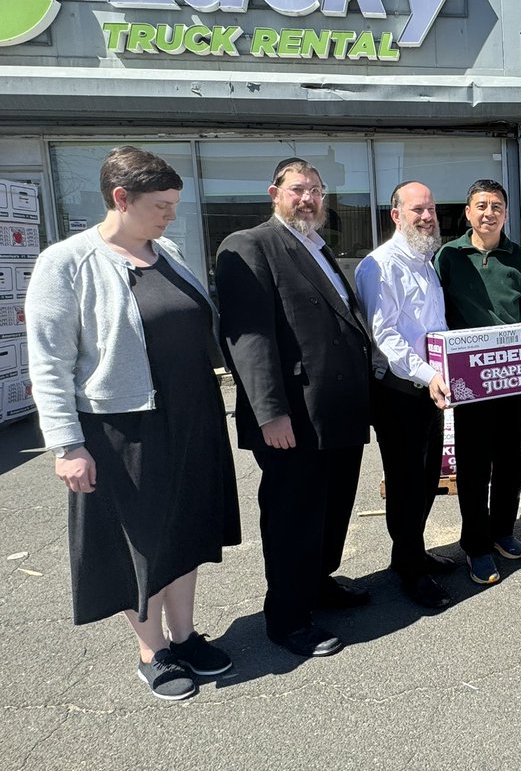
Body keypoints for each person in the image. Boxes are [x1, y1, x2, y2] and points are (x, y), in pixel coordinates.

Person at [26, 146, 240, 702]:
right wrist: (67, 444)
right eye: (160, 205)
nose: (171, 215)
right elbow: (48, 361)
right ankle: (153, 651)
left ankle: (186, 635)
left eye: (174, 204)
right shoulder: (67, 262)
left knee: (187, 529)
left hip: (192, 417)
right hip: (122, 427)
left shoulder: (165, 250)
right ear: (120, 199)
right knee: (139, 542)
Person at [215, 158, 372, 659]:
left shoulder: (319, 246)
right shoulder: (250, 246)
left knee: (332, 509)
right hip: (293, 417)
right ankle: (286, 617)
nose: (309, 199)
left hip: (338, 412)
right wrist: (268, 412)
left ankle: (318, 584)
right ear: (274, 193)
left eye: (317, 191)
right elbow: (249, 337)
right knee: (292, 518)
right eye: (298, 189)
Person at [435, 179, 521, 586]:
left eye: (497, 206)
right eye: (481, 205)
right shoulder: (449, 256)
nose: (489, 213)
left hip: (512, 375)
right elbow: (437, 314)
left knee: (511, 460)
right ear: (468, 212)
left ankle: (502, 530)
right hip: (470, 378)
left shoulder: (520, 259)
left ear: (506, 213)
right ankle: (475, 545)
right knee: (475, 464)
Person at [355, 182, 456, 610]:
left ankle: (410, 554)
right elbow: (386, 336)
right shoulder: (379, 265)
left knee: (427, 477)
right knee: (404, 482)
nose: (427, 216)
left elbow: (435, 325)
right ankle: (411, 571)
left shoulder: (426, 261)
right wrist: (429, 373)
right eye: (417, 209)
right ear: (395, 215)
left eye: (431, 208)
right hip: (399, 390)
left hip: (430, 388)